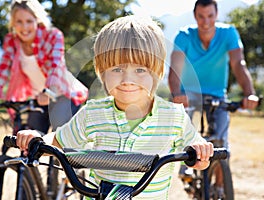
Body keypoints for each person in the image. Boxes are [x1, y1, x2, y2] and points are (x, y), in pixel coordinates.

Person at [15, 15, 214, 199]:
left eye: (140, 69)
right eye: (117, 69)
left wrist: (200, 153)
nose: (128, 80)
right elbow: (58, 141)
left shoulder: (174, 116)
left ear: (157, 72)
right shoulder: (93, 113)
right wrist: (38, 139)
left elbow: (198, 156)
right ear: (102, 72)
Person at [168, 0, 259, 186]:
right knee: (184, 124)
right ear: (195, 16)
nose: (206, 22)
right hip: (189, 93)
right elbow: (175, 68)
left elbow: (238, 64)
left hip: (217, 94)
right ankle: (185, 165)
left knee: (222, 142)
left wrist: (249, 93)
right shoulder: (184, 36)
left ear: (216, 15)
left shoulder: (228, 33)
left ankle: (220, 189)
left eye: (210, 16)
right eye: (201, 16)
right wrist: (177, 93)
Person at [0, 0, 88, 133]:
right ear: (13, 23)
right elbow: (2, 71)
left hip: (63, 94)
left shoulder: (53, 36)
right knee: (29, 138)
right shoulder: (12, 41)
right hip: (38, 98)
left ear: (37, 20)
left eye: (29, 21)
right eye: (19, 21)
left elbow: (56, 66)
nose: (24, 27)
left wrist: (49, 91)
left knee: (60, 135)